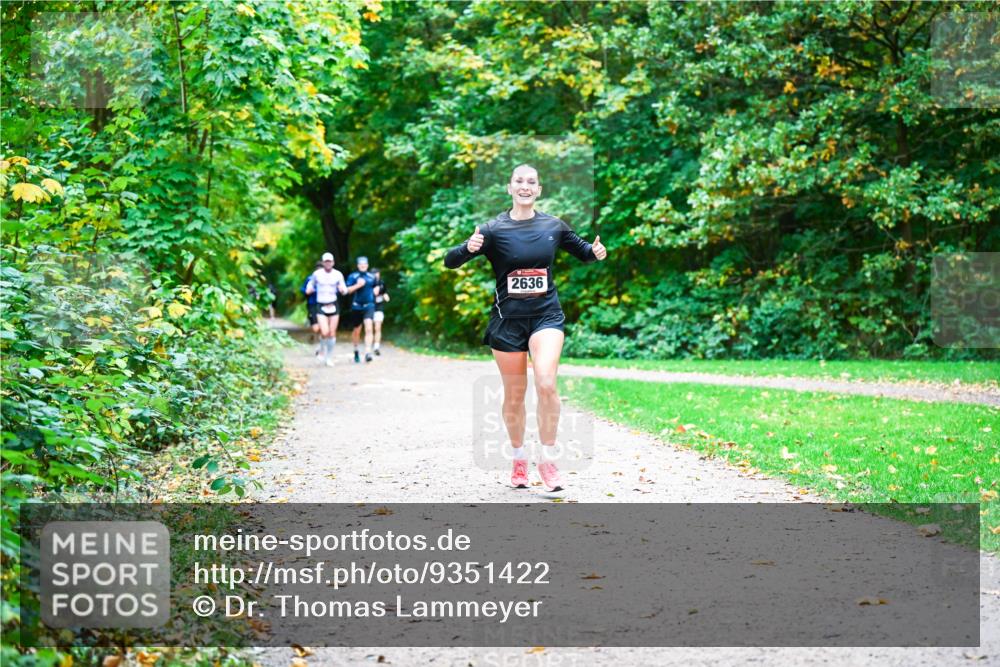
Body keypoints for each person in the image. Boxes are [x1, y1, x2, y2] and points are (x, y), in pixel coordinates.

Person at [443, 164, 607, 492]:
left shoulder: (553, 226)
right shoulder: (492, 229)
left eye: (531, 181)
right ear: (509, 187)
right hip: (507, 321)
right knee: (515, 395)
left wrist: (596, 252)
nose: (525, 186)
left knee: (546, 382)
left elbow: (585, 253)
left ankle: (548, 459)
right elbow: (451, 260)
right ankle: (519, 458)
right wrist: (467, 248)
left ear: (539, 189)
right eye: (519, 180)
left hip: (546, 316)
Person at [305, 252, 347, 367]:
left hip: (333, 304)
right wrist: (309, 289)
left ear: (333, 262)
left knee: (332, 333)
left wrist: (342, 290)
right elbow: (310, 285)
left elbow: (344, 288)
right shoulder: (317, 274)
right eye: (326, 261)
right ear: (323, 263)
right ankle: (322, 349)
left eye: (330, 261)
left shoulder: (338, 274)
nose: (328, 263)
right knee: (324, 331)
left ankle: (329, 357)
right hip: (321, 305)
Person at [344, 256, 377, 363]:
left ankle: (368, 352)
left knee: (368, 328)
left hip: (369, 305)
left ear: (367, 265)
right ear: (358, 266)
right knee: (357, 331)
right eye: (361, 264)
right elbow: (347, 290)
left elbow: (377, 287)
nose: (363, 266)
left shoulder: (372, 277)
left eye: (365, 264)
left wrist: (376, 291)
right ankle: (356, 350)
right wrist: (358, 285)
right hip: (356, 305)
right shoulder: (353, 276)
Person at [301, 261, 322, 355]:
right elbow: (303, 289)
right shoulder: (310, 278)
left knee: (322, 325)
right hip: (312, 304)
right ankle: (315, 336)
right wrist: (308, 291)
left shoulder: (326, 279)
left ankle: (320, 345)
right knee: (316, 327)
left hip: (323, 304)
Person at [371, 268, 390, 356]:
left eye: (377, 274)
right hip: (370, 307)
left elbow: (385, 292)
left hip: (379, 307)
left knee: (377, 327)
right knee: (369, 328)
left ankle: (376, 347)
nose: (375, 275)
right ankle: (369, 344)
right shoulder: (369, 283)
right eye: (374, 274)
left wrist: (386, 296)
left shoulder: (382, 283)